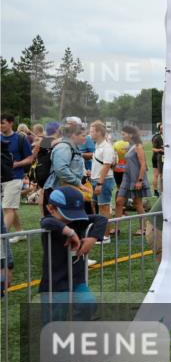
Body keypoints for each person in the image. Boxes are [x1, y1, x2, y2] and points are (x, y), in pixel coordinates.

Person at [39, 186, 105, 318]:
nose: (72, 219)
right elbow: (46, 221)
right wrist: (69, 231)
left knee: (88, 303)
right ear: (51, 209)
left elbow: (101, 219)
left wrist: (92, 239)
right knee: (55, 318)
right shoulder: (50, 223)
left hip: (76, 278)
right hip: (55, 282)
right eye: (67, 213)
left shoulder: (78, 220)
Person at [1, 114, 35, 242]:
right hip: (2, 178)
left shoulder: (20, 139)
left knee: (8, 209)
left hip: (15, 177)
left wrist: (17, 164)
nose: (0, 125)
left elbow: (30, 158)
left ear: (11, 123)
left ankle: (1, 238)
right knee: (9, 207)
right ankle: (20, 232)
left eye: (2, 123)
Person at [44, 120, 90, 210]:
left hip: (66, 189)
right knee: (60, 221)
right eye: (83, 135)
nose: (86, 138)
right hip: (58, 190)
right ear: (73, 135)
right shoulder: (64, 147)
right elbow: (61, 169)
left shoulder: (73, 147)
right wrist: (78, 183)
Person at [113, 125, 149, 233]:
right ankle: (116, 228)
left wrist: (140, 181)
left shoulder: (138, 146)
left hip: (136, 178)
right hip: (126, 178)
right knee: (119, 202)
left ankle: (143, 228)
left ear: (131, 134)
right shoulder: (130, 146)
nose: (122, 136)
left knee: (137, 203)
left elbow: (143, 165)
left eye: (123, 134)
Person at [90, 121, 116, 224]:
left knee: (104, 207)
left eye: (92, 131)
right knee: (96, 206)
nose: (90, 133)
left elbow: (106, 166)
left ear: (99, 132)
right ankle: (100, 231)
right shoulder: (98, 145)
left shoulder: (107, 147)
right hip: (96, 180)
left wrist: (100, 184)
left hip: (103, 181)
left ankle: (105, 235)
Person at [151, 122, 164, 197]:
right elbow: (153, 149)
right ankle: (157, 191)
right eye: (162, 128)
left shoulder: (157, 136)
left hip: (159, 157)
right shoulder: (157, 137)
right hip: (158, 157)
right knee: (158, 175)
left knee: (157, 175)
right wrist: (160, 150)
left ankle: (157, 191)